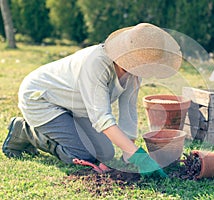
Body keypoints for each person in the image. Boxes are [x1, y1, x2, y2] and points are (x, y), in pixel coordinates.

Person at [2, 23, 182, 177]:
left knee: (106, 153)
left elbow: (128, 110)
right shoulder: (96, 64)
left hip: (75, 106)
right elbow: (102, 119)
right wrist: (140, 157)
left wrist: (129, 153)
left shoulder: (134, 73)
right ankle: (25, 131)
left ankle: (62, 129)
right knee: (84, 154)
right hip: (42, 100)